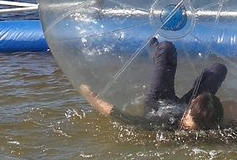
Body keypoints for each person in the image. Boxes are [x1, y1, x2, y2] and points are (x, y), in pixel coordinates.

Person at [80, 39, 228, 131]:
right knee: (219, 70)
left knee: (166, 48)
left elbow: (122, 117)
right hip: (185, 107)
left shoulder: (164, 125)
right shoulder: (212, 124)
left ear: (191, 110)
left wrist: (92, 97)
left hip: (158, 101)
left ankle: (152, 47)